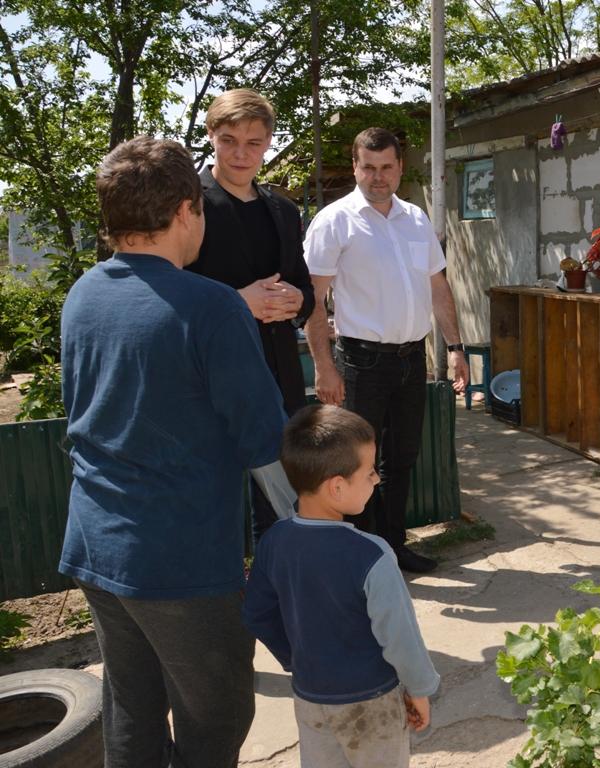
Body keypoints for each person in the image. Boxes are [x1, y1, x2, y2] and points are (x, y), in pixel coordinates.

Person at [58, 137, 288, 767]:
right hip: (180, 560)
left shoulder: (83, 296)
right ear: (187, 209)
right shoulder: (210, 306)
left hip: (96, 545)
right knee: (216, 716)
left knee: (131, 706)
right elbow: (264, 441)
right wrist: (308, 533)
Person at [304, 127, 468, 574]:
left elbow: (438, 286)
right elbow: (312, 299)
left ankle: (393, 547)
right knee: (356, 463)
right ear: (356, 166)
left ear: (400, 167)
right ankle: (361, 557)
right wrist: (323, 365)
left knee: (402, 459)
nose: (378, 177)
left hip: (411, 359)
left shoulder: (416, 219)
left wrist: (455, 346)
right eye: (369, 167)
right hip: (361, 363)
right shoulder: (334, 221)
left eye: (387, 167)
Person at [243, 405, 440, 767]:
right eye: (370, 473)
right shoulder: (373, 555)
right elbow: (400, 636)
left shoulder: (273, 541)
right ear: (336, 486)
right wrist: (421, 689)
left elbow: (257, 612)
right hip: (372, 701)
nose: (377, 480)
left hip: (310, 696)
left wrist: (296, 659)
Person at [188, 88, 314, 538]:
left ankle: (274, 594)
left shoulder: (282, 208)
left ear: (269, 143)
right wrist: (238, 300)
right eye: (229, 140)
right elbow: (168, 292)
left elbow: (303, 284)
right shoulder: (188, 207)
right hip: (211, 378)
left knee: (281, 502)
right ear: (211, 137)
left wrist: (299, 302)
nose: (241, 153)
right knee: (213, 500)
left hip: (279, 375)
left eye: (254, 142)